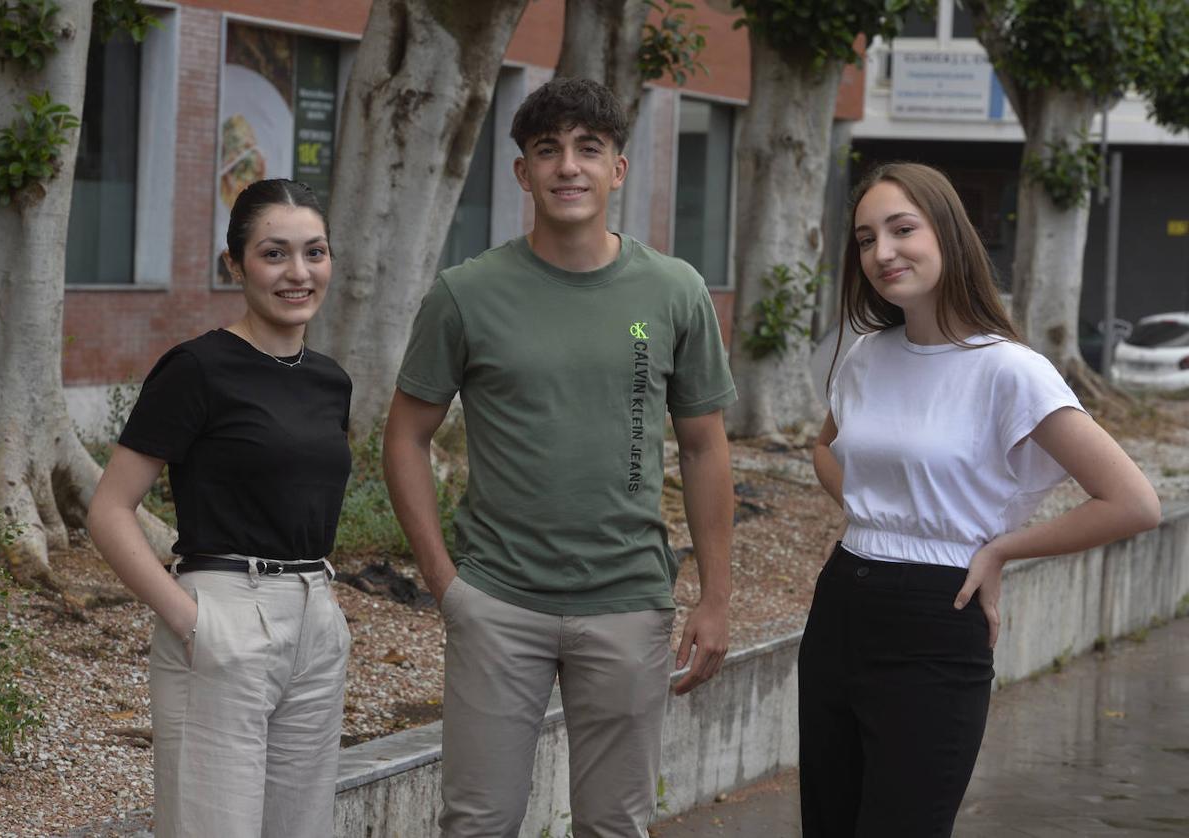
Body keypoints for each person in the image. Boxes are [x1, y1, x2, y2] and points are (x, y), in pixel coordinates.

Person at [383, 77, 737, 837]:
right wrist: (449, 587)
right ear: (522, 172)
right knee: (477, 823)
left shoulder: (675, 292)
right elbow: (404, 437)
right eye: (548, 150)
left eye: (588, 149)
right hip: (498, 602)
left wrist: (715, 597)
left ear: (618, 168)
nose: (567, 166)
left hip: (628, 602)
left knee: (615, 827)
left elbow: (706, 447)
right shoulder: (465, 294)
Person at [802, 161, 1161, 837]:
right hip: (842, 604)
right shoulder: (864, 357)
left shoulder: (1009, 369)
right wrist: (878, 514)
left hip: (939, 618)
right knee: (828, 823)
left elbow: (1133, 501)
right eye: (865, 237)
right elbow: (826, 449)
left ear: (949, 234)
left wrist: (998, 549)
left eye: (902, 228)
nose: (882, 252)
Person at [87, 179, 353, 838]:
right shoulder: (197, 369)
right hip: (224, 613)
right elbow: (110, 510)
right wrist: (189, 619)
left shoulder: (329, 380)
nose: (298, 273)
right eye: (274, 254)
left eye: (314, 253)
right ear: (235, 264)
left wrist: (325, 614)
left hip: (316, 620)